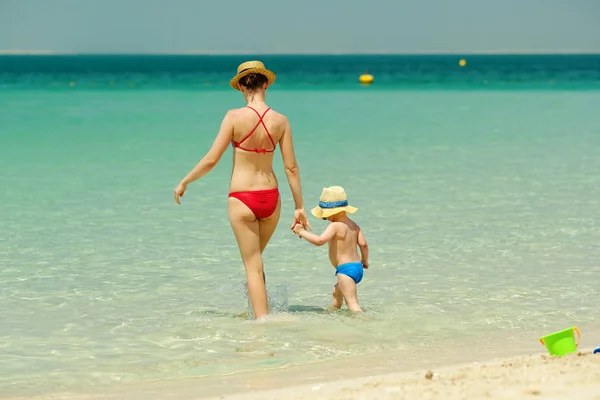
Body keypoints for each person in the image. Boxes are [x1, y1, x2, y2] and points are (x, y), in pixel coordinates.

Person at [173, 61, 311, 320]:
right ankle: (261, 311)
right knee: (256, 261)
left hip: (242, 198)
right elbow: (291, 168)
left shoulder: (234, 117)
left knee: (252, 265)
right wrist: (299, 207)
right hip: (272, 199)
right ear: (266, 84)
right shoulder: (281, 121)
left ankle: (262, 324)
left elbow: (211, 159)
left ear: (240, 87)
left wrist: (185, 181)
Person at [292, 186, 368, 312]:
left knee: (352, 303)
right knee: (336, 292)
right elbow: (363, 244)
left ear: (331, 213)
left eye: (325, 216)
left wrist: (301, 231)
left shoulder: (335, 226)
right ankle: (332, 312)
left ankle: (367, 323)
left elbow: (319, 240)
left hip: (346, 271)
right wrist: (365, 261)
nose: (325, 219)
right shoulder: (354, 226)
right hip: (357, 268)